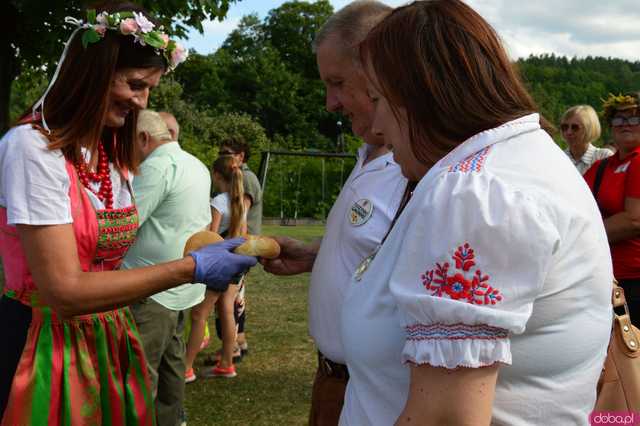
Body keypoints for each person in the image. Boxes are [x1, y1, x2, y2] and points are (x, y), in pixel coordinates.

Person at [334, 1, 612, 425]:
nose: (377, 127)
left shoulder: (474, 194)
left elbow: (444, 417)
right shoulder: (521, 162)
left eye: (378, 98)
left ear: (420, 97)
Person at [0, 5, 256, 424]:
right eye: (135, 85)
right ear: (93, 76)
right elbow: (64, 291)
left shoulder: (107, 154)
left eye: (149, 89)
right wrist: (189, 269)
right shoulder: (32, 148)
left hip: (106, 336)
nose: (142, 101)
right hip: (43, 344)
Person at [261, 2, 407, 424]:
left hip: (377, 389)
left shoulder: (416, 169)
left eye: (338, 83)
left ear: (380, 70)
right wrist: (315, 255)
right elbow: (376, 250)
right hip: (334, 376)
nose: (330, 103)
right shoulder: (368, 157)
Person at [122, 110, 211, 426]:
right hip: (184, 285)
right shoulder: (196, 164)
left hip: (152, 288)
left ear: (143, 139)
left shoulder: (158, 167)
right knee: (172, 365)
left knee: (139, 371)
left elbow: (125, 224)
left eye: (126, 143)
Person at [184, 155, 248, 380]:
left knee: (199, 314)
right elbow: (244, 233)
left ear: (216, 175)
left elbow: (210, 234)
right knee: (227, 311)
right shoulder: (241, 200)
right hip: (236, 260)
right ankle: (227, 364)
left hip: (219, 262)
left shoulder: (218, 202)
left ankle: (186, 368)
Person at [585, 92, 640, 326]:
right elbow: (572, 207)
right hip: (605, 275)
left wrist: (580, 236)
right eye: (618, 119)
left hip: (635, 278)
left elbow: (634, 221)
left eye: (633, 118)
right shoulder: (601, 166)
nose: (625, 125)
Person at [218, 136, 263, 355]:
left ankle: (231, 347)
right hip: (238, 246)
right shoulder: (238, 176)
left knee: (228, 299)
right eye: (220, 154)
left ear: (241, 156)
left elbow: (241, 215)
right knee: (237, 295)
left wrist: (232, 245)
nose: (222, 157)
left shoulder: (246, 177)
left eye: (227, 153)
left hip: (239, 246)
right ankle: (239, 340)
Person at [560, 104, 613, 174]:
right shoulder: (559, 157)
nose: (569, 132)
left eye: (575, 127)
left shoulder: (603, 157)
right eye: (565, 127)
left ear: (588, 128)